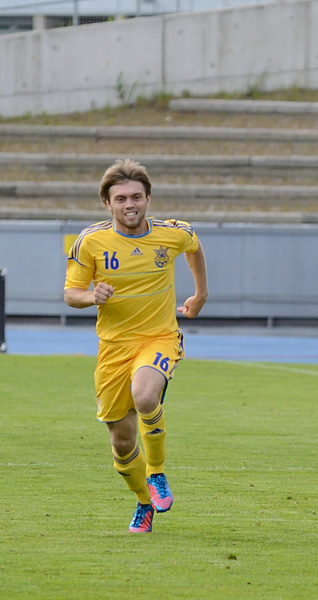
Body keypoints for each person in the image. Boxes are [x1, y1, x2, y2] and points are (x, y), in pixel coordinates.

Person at [64, 158, 208, 533]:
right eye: (121, 198)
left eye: (137, 197)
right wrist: (92, 296)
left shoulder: (171, 233)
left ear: (148, 198)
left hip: (158, 337)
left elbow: (193, 245)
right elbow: (70, 293)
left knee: (146, 396)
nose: (130, 204)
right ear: (107, 204)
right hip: (113, 349)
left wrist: (200, 294)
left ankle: (157, 472)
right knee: (122, 441)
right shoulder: (90, 241)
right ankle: (144, 502)